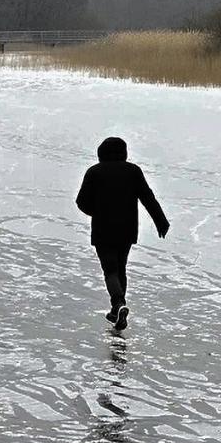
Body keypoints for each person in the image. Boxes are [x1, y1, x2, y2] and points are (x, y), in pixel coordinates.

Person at [76, 137, 170, 330]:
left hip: (103, 229)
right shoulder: (133, 171)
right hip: (127, 229)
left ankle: (118, 304)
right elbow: (147, 197)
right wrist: (160, 220)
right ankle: (117, 310)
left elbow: (81, 202)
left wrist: (98, 212)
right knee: (121, 268)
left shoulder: (94, 172)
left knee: (110, 270)